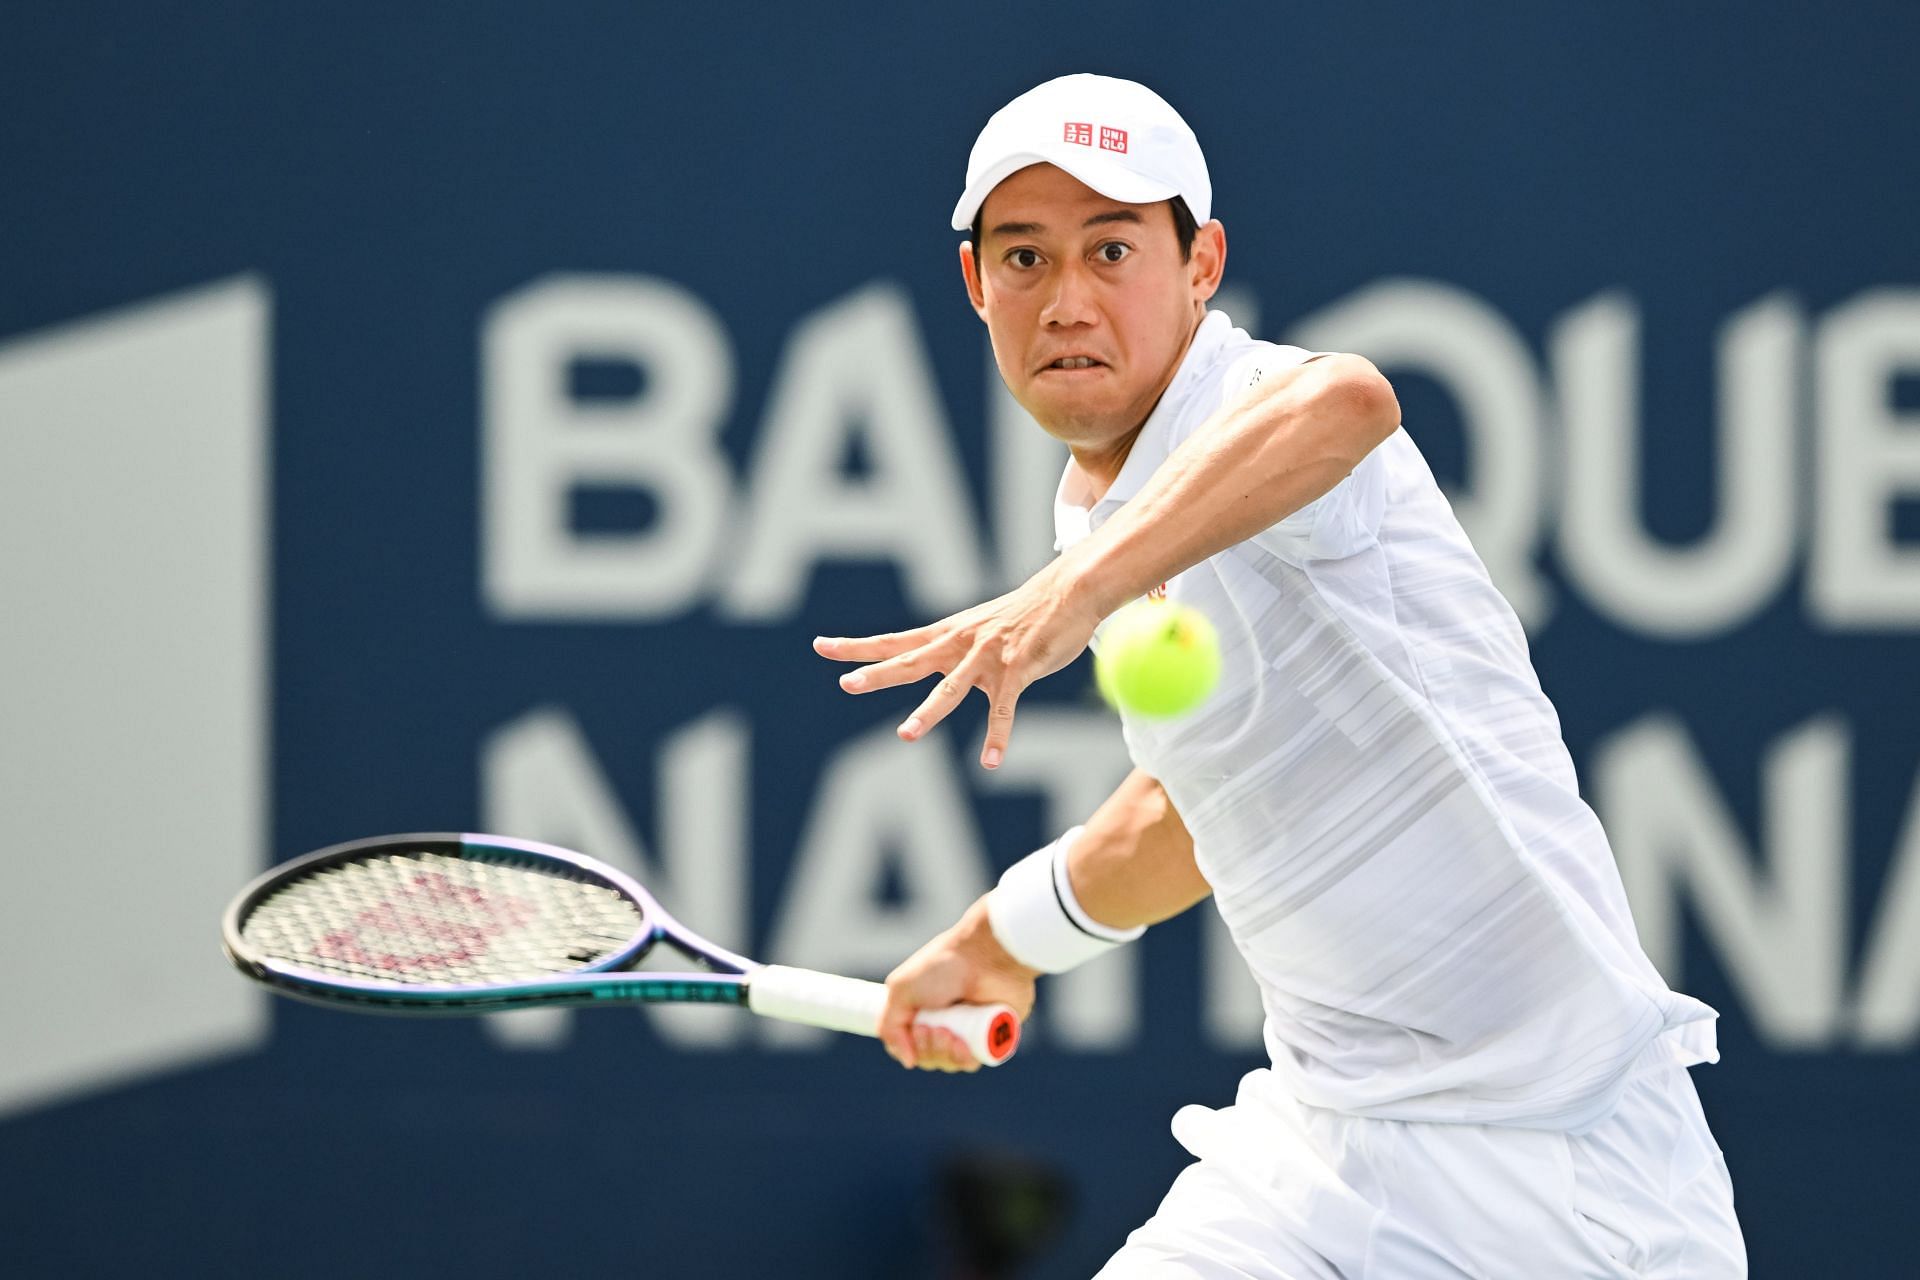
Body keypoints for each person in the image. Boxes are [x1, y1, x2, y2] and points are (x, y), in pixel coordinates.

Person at [814, 73, 1745, 1277]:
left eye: (1112, 249)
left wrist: (1078, 588)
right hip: (1321, 1153)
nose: (1067, 301)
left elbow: (1348, 401)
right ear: (975, 282)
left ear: (1202, 266)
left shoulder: (1254, 411)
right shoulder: (1102, 510)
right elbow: (1196, 809)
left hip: (1561, 1175)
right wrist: (1004, 936)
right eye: (1026, 258)